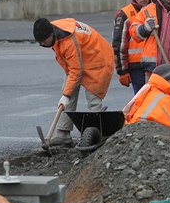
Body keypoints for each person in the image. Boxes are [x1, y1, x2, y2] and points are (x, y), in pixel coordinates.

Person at [33, 17, 114, 146]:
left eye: (43, 41)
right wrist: (66, 94)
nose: (42, 45)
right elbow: (73, 68)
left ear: (51, 34)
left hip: (99, 61)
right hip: (81, 59)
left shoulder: (68, 40)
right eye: (39, 42)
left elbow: (76, 71)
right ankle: (63, 134)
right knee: (67, 92)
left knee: (93, 99)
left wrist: (66, 95)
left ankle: (93, 136)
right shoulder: (52, 29)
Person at [123, 64, 170, 133]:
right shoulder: (163, 99)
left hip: (136, 132)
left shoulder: (149, 91)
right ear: (164, 80)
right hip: (146, 134)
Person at [112, 0, 153, 94]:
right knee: (141, 99)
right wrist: (122, 71)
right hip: (136, 67)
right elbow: (119, 45)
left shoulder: (157, 10)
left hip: (155, 64)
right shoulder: (124, 14)